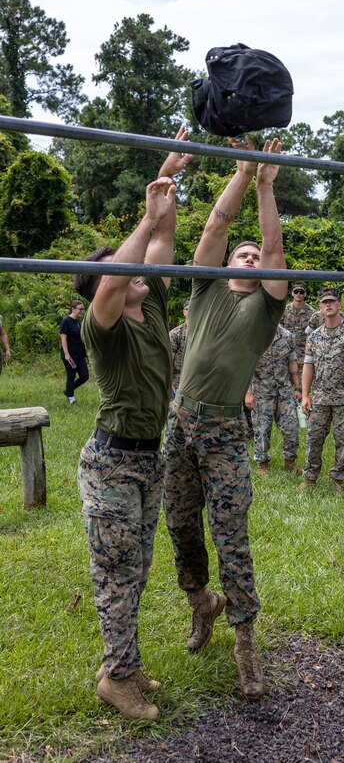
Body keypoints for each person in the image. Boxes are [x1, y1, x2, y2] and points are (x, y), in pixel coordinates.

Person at [161, 133, 287, 702]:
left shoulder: (266, 308)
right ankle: (201, 605)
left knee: (231, 536)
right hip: (180, 425)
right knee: (181, 524)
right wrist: (240, 172)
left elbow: (275, 246)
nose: (252, 258)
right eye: (244, 255)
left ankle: (245, 645)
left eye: (255, 258)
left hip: (225, 433)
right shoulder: (205, 290)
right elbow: (213, 228)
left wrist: (264, 186)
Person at [74, 172, 183, 721]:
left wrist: (164, 196)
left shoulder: (154, 307)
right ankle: (116, 680)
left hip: (148, 458)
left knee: (136, 568)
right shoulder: (104, 326)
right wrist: (142, 218)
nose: (139, 272)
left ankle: (124, 662)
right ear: (100, 290)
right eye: (122, 270)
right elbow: (118, 278)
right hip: (112, 462)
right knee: (117, 570)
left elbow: (161, 244)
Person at [299, 287, 344, 491]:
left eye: (332, 302)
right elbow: (308, 366)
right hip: (320, 398)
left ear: (339, 305)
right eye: (324, 302)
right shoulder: (314, 337)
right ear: (320, 307)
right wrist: (305, 395)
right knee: (314, 438)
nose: (328, 305)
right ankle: (309, 477)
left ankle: (338, 479)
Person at [245, 324, 301, 474]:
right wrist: (248, 393)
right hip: (261, 394)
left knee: (292, 429)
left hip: (284, 393)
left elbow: (292, 362)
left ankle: (290, 462)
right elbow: (246, 367)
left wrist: (299, 388)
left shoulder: (288, 336)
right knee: (262, 431)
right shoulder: (253, 336)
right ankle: (262, 464)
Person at [280, 282, 315, 374]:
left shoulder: (312, 313)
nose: (298, 294)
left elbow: (314, 335)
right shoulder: (283, 311)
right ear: (292, 293)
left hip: (303, 354)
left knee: (302, 385)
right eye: (296, 292)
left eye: (301, 292)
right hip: (285, 352)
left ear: (305, 294)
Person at [59, 300, 88, 403]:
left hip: (80, 353)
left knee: (85, 376)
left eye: (83, 309)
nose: (82, 311)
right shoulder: (66, 321)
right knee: (71, 376)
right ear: (73, 309)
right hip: (70, 354)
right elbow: (63, 338)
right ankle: (71, 398)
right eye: (80, 309)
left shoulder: (79, 321)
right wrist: (67, 354)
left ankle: (68, 390)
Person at [170, 298, 190, 394]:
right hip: (178, 381)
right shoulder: (176, 334)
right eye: (188, 309)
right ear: (184, 312)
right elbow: (167, 361)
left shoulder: (205, 333)